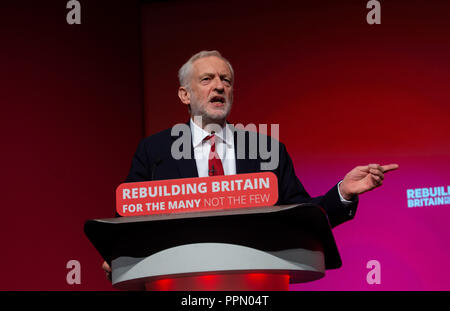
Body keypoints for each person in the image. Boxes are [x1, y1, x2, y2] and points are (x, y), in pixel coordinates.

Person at [102, 50, 399, 280]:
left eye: (226, 80)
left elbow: (301, 217)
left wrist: (343, 192)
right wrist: (119, 252)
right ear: (185, 94)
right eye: (207, 79)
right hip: (179, 282)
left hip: (254, 283)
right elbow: (130, 216)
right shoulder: (154, 151)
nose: (219, 86)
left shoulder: (267, 149)